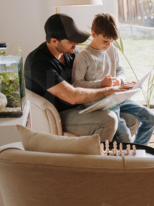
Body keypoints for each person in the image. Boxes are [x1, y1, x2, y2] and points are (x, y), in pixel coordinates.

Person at [24, 13, 118, 142]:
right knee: (109, 119)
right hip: (59, 114)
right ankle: (96, 155)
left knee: (131, 118)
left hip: (81, 107)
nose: (76, 44)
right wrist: (108, 91)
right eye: (71, 41)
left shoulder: (70, 52)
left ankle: (118, 154)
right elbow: (72, 96)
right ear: (54, 41)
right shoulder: (39, 63)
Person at [72, 12, 154, 145]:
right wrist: (101, 84)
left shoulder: (112, 50)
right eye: (105, 40)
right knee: (125, 137)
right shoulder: (83, 57)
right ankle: (132, 154)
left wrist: (120, 80)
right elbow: (77, 84)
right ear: (94, 34)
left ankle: (140, 151)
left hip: (116, 97)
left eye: (112, 41)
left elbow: (120, 70)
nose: (109, 44)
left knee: (151, 118)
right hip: (99, 103)